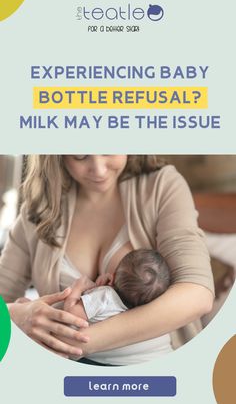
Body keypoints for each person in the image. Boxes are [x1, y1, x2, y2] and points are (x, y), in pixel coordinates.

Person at [0, 155, 214, 365]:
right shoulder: (39, 209)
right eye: (80, 155)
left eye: (109, 149)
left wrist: (75, 343)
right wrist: (16, 315)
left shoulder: (160, 186)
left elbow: (197, 294)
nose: (99, 169)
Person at [59, 249, 172, 365]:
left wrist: (78, 288)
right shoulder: (134, 310)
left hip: (70, 349)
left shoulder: (104, 296)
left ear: (112, 277)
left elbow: (71, 314)